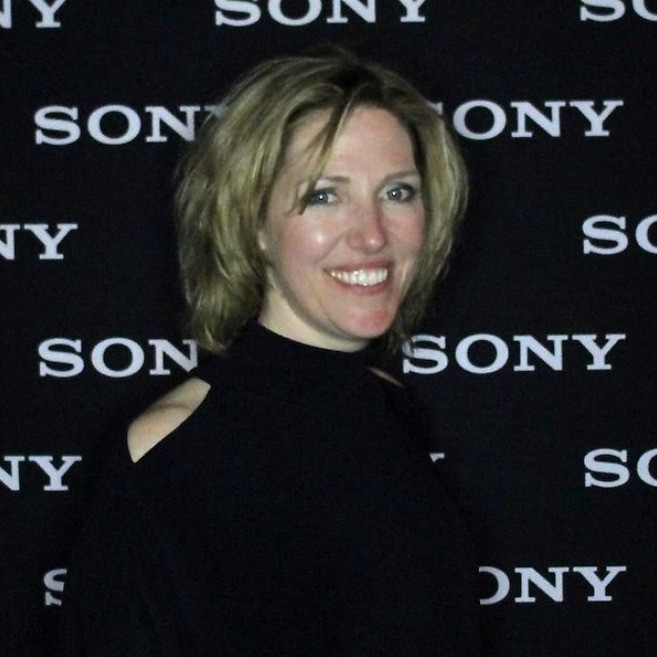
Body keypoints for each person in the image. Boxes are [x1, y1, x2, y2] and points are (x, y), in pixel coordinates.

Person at [60, 48, 480, 656]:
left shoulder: (389, 409)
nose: (372, 235)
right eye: (324, 196)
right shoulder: (170, 450)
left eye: (397, 192)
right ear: (253, 224)